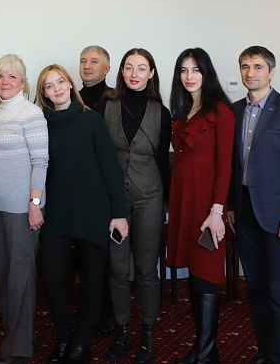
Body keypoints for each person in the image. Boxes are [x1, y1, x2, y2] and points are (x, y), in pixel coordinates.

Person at [227, 46, 280, 364]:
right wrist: (231, 205)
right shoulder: (234, 111)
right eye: (245, 66)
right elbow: (232, 165)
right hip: (245, 210)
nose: (250, 72)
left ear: (272, 71)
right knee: (257, 288)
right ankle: (265, 352)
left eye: (258, 66)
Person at [37, 64, 128, 364]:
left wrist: (119, 213)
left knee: (92, 279)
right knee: (51, 276)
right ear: (44, 93)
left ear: (70, 84)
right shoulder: (41, 124)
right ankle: (64, 337)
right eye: (49, 86)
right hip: (58, 211)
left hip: (93, 210)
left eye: (60, 82)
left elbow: (110, 169)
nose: (56, 88)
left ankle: (83, 341)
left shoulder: (91, 119)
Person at [94, 49, 172, 363]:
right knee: (116, 269)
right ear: (121, 72)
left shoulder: (161, 112)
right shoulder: (105, 106)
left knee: (146, 270)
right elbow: (98, 154)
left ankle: (148, 334)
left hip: (149, 196)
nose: (134, 74)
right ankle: (123, 333)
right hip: (114, 199)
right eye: (129, 67)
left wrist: (167, 202)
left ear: (151, 73)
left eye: (141, 68)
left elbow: (162, 160)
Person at [167, 48, 233, 364]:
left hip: (208, 200)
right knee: (194, 274)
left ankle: (205, 354)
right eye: (183, 70)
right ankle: (205, 350)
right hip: (184, 195)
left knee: (205, 271)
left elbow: (225, 166)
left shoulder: (221, 111)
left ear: (206, 73)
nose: (189, 76)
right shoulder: (180, 113)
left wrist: (217, 211)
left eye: (195, 70)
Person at [0, 54, 49, 364]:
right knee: (5, 274)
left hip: (22, 208)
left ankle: (18, 348)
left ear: (22, 82)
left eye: (12, 76)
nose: (5, 81)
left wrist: (35, 204)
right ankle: (20, 335)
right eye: (0, 76)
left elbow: (41, 162)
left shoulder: (31, 113)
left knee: (20, 277)